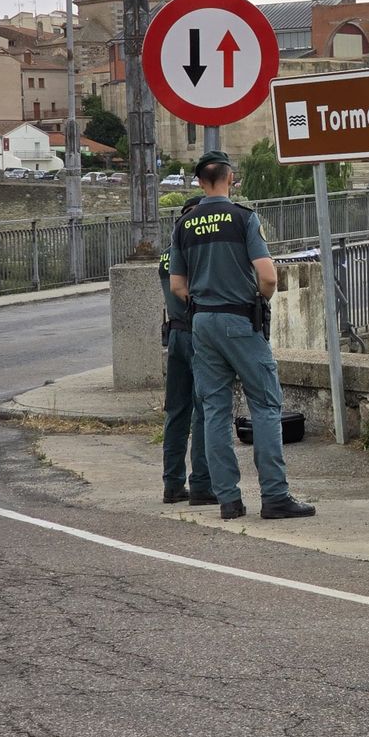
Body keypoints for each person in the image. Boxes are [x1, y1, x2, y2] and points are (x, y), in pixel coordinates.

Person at [168, 150, 315, 522]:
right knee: (265, 406)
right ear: (230, 178)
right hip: (239, 322)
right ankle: (275, 496)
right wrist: (255, 302)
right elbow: (268, 277)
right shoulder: (244, 219)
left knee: (215, 412)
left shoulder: (184, 224)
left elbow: (177, 285)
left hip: (203, 324)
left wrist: (206, 299)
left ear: (199, 181)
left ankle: (228, 500)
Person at [160, 196, 215, 507]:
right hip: (196, 335)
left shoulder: (166, 256)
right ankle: (202, 483)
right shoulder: (191, 254)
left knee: (176, 413)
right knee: (205, 410)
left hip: (175, 337)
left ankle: (172, 484)